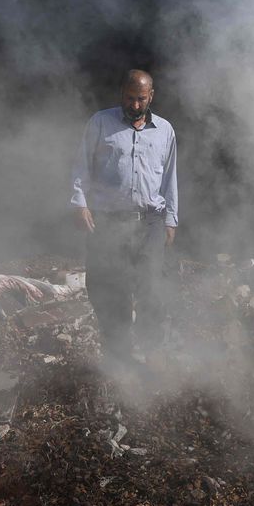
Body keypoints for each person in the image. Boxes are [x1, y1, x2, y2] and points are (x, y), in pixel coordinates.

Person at [70, 69, 179, 370]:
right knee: (108, 286)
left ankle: (152, 349)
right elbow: (81, 165)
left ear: (151, 97)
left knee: (152, 286)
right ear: (122, 95)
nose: (134, 105)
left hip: (150, 221)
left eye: (140, 99)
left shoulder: (165, 131)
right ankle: (118, 354)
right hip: (108, 221)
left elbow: (169, 178)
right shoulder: (100, 123)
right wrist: (79, 202)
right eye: (129, 98)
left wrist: (171, 218)